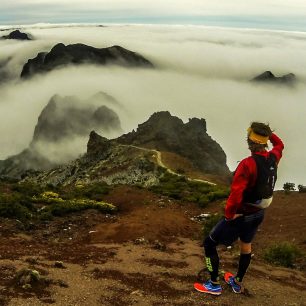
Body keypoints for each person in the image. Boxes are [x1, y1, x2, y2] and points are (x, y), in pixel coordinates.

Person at [194, 122, 284, 295]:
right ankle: (237, 282)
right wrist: (268, 134)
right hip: (258, 214)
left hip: (241, 215)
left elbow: (235, 195)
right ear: (265, 142)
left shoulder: (247, 164)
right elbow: (280, 145)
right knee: (246, 245)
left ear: (249, 142)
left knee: (209, 243)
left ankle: (213, 284)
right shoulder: (274, 157)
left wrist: (229, 215)